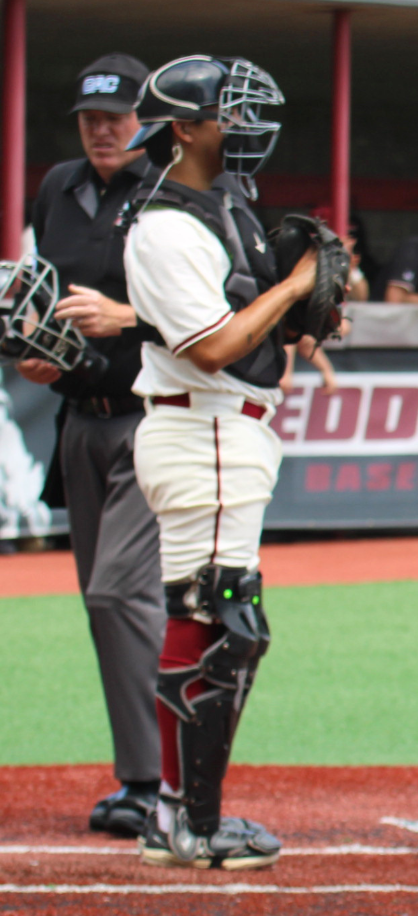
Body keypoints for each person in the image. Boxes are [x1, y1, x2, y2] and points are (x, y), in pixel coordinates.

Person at [122, 54, 321, 870]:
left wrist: (309, 310)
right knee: (220, 620)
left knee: (214, 615)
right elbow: (211, 347)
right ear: (184, 128)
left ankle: (180, 811)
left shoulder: (226, 204)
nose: (241, 129)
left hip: (225, 430)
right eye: (225, 115)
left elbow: (257, 329)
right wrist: (297, 282)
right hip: (200, 425)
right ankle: (188, 821)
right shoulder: (164, 224)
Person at [12, 52, 166, 836]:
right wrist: (39, 350)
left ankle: (165, 779)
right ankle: (141, 779)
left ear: (147, 117)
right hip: (79, 421)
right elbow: (47, 299)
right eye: (89, 117)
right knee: (102, 603)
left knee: (119, 593)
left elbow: (211, 310)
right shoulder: (57, 186)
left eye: (116, 115)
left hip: (152, 418)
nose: (101, 129)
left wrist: (126, 318)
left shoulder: (176, 188)